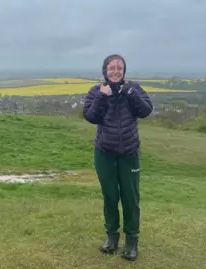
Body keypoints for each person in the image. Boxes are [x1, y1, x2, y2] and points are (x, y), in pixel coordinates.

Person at [82, 54, 153, 261]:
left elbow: (146, 111)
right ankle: (112, 238)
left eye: (119, 68)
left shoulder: (134, 88)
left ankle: (131, 241)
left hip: (129, 154)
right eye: (111, 67)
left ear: (124, 71)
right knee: (110, 196)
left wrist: (131, 93)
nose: (115, 71)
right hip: (104, 153)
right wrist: (102, 96)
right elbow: (91, 116)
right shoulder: (96, 91)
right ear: (105, 70)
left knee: (131, 197)